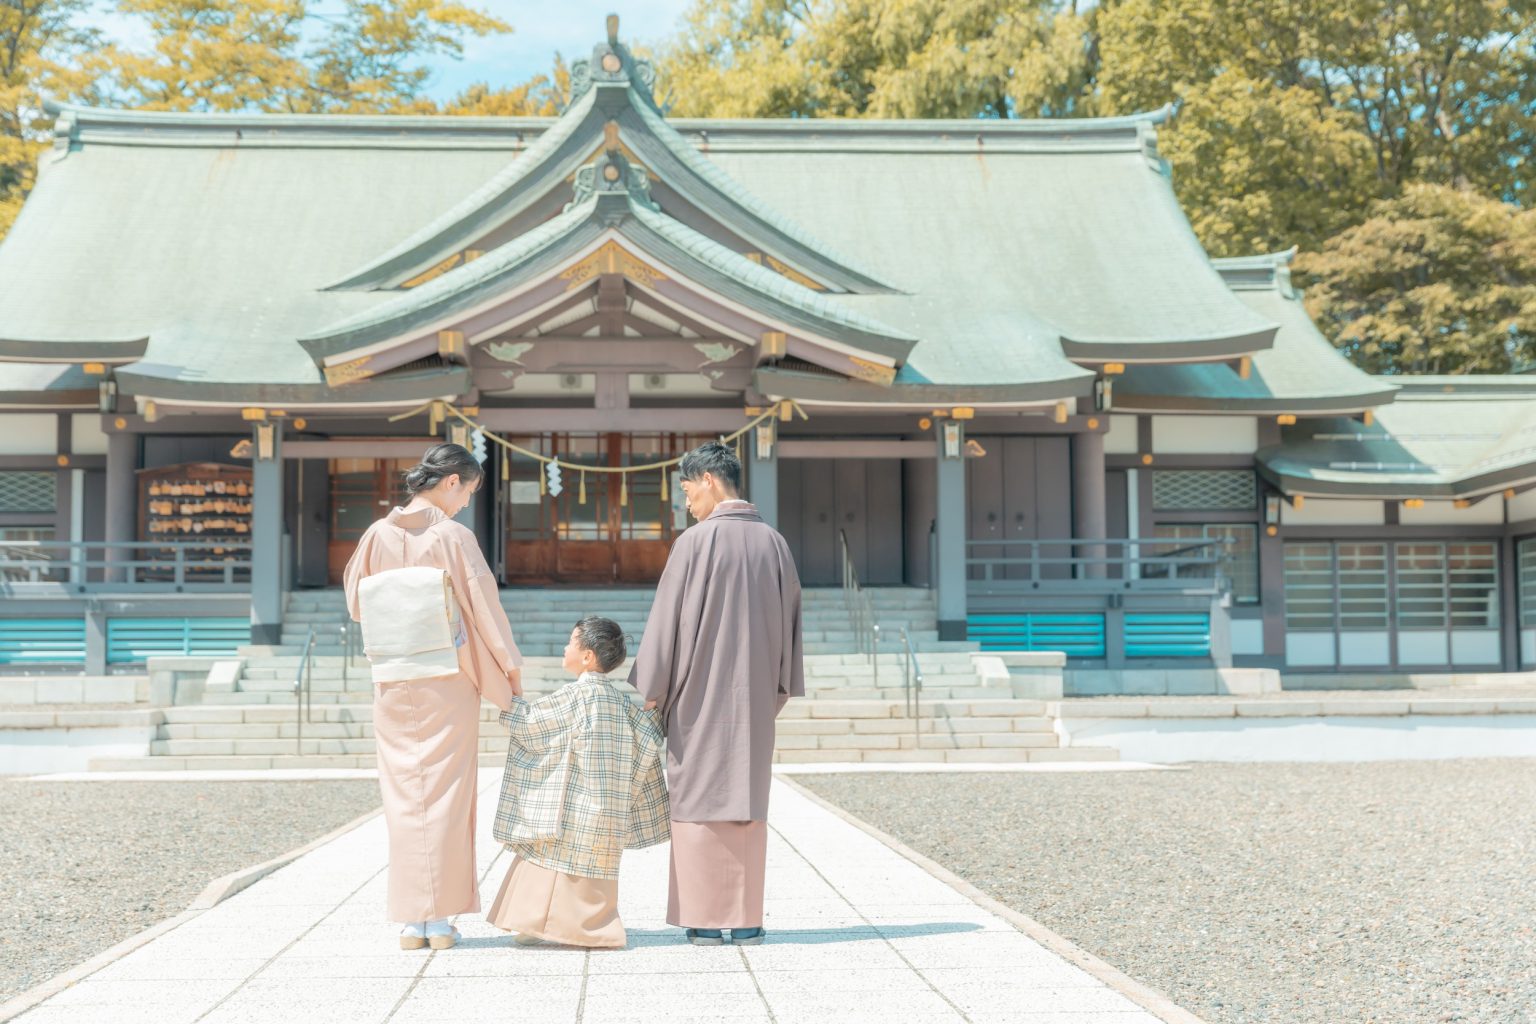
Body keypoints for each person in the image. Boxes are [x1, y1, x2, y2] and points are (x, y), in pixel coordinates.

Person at [343, 443, 523, 951]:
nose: (466, 501)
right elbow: (484, 607)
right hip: (447, 673)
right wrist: (509, 669)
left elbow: (357, 602)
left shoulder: (376, 534)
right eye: (467, 490)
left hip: (395, 677)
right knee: (446, 793)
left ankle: (410, 921)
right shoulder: (452, 535)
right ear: (451, 482)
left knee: (404, 795)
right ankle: (439, 919)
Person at [629, 440, 804, 946]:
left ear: (708, 479)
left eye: (687, 490)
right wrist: (779, 685)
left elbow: (665, 624)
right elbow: (792, 623)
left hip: (699, 697)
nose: (687, 503)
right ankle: (746, 917)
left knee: (697, 795)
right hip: (752, 701)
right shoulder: (774, 543)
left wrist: (654, 689)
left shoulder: (695, 543)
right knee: (746, 798)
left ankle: (704, 918)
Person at [487, 617, 669, 948]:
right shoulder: (620, 703)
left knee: (551, 856)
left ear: (587, 657)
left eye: (572, 642)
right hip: (608, 810)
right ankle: (592, 925)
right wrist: (653, 712)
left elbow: (531, 724)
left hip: (573, 805)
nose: (565, 647)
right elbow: (647, 739)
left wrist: (507, 697)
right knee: (592, 868)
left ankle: (543, 924)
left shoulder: (574, 696)